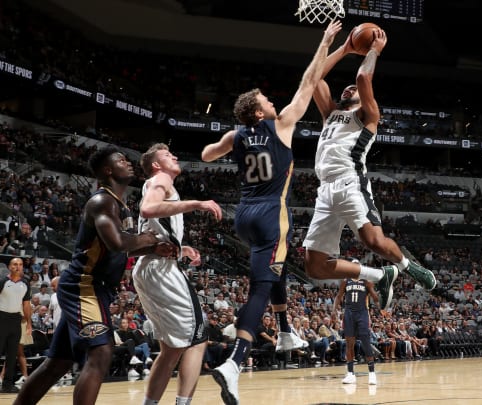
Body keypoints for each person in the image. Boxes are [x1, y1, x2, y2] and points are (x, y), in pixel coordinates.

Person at [200, 21, 343, 405]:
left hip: (244, 215)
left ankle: (284, 331)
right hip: (271, 214)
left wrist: (231, 141)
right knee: (261, 286)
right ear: (258, 110)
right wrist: (328, 41)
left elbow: (206, 154)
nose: (273, 102)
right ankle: (234, 364)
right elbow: (310, 81)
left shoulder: (237, 135)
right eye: (266, 99)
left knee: (276, 268)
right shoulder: (281, 125)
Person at [13, 145, 177, 405]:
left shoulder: (120, 205)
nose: (129, 162)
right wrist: (146, 238)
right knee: (101, 352)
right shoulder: (102, 201)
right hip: (83, 286)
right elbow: (116, 242)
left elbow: (122, 247)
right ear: (108, 170)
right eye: (122, 160)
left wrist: (153, 247)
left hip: (97, 289)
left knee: (58, 363)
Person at [302, 22, 436, 311]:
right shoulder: (330, 113)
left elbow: (363, 76)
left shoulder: (368, 114)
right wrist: (344, 47)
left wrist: (373, 50)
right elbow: (313, 78)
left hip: (351, 181)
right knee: (315, 266)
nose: (349, 87)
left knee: (373, 241)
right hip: (324, 190)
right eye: (346, 87)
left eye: (354, 88)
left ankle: (407, 266)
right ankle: (379, 274)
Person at [132, 142, 222, 405]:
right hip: (161, 271)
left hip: (148, 268)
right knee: (198, 337)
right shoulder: (159, 179)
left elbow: (152, 225)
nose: (175, 156)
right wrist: (197, 203)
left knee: (171, 349)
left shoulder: (157, 183)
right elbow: (148, 209)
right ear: (156, 165)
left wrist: (181, 249)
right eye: (167, 155)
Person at [333, 276, 379, 385]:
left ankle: (372, 373)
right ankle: (350, 374)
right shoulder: (345, 281)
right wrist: (334, 310)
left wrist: (380, 306)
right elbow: (339, 296)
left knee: (366, 342)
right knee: (349, 344)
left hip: (362, 313)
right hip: (349, 314)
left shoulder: (366, 281)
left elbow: (375, 298)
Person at [0, 257, 31, 393]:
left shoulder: (25, 283)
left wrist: (29, 323)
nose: (18, 267)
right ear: (9, 267)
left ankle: (7, 385)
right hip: (1, 317)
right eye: (15, 264)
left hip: (16, 320)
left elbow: (26, 304)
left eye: (20, 264)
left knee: (12, 354)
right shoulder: (2, 281)